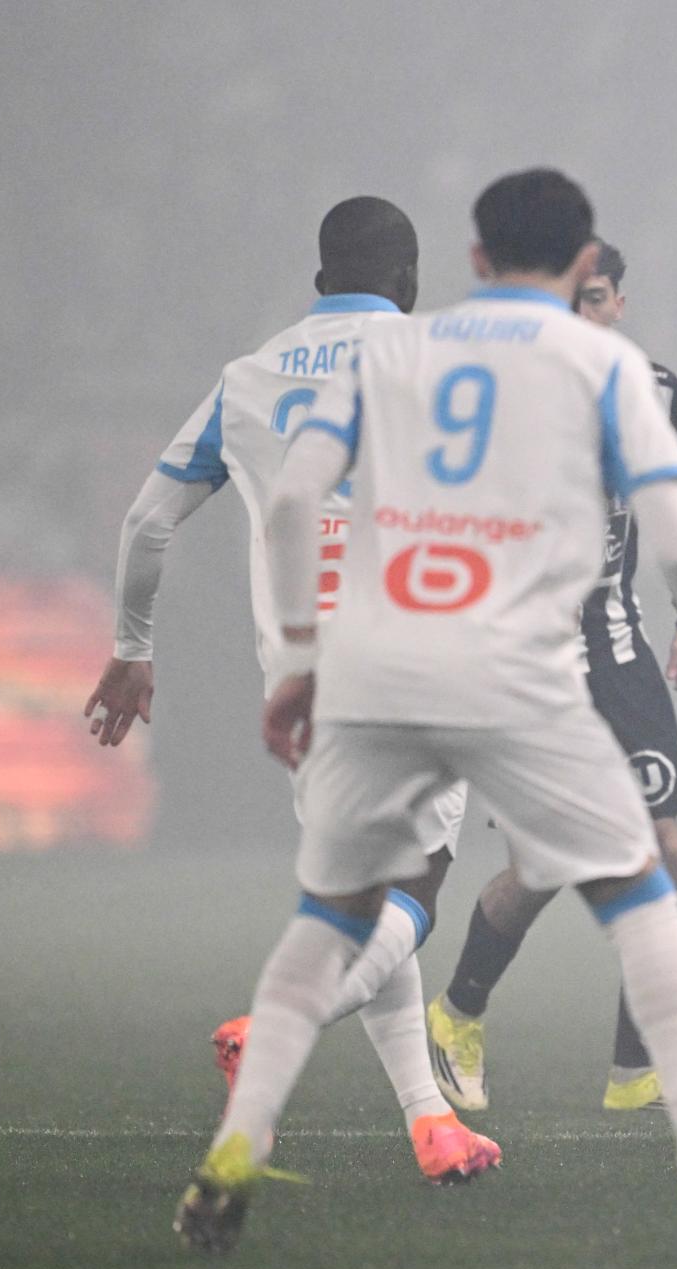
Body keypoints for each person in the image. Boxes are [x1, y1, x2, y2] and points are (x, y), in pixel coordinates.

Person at [172, 168, 677, 1257]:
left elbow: (301, 496)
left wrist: (303, 662)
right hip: (512, 669)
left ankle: (235, 1150)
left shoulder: (394, 350)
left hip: (375, 667)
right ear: (585, 264)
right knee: (640, 897)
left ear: (478, 257)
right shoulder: (603, 364)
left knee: (329, 918)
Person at [83, 196, 497, 1186]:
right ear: (406, 282)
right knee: (418, 888)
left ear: (320, 280)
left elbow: (147, 521)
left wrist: (133, 648)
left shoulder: (248, 378)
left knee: (367, 895)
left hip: (303, 688)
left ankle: (430, 1122)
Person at [426, 239, 677, 1115]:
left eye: (591, 299)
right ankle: (458, 1010)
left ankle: (634, 1063)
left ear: (617, 303)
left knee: (664, 846)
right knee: (546, 864)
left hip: (619, 651)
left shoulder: (656, 391)